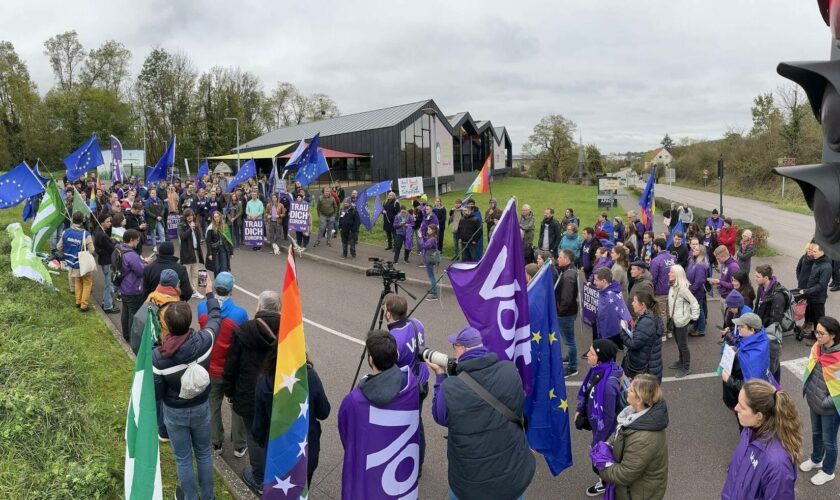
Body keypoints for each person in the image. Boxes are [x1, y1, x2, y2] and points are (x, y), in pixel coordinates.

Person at [427, 326, 535, 500]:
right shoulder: (509, 371)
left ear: (461, 349)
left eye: (455, 347)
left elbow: (440, 416)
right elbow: (517, 402)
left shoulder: (451, 387)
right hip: (512, 476)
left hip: (470, 484)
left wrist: (441, 376)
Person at [339, 331, 420, 499]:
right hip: (402, 482)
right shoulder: (412, 385)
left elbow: (346, 433)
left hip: (372, 480)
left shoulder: (355, 400)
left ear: (370, 359)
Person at [223, 291, 282, 491]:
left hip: (249, 394)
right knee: (275, 433)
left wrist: (229, 392)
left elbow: (232, 364)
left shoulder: (244, 330)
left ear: (259, 306)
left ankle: (258, 478)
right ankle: (278, 475)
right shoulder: (289, 331)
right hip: (280, 393)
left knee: (254, 435)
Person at [720, 380, 801, 499]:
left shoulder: (778, 465)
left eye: (742, 407)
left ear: (759, 416)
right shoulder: (749, 430)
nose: (736, 408)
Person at [197, 272, 249, 456]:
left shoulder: (202, 308)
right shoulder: (240, 314)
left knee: (213, 404)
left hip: (210, 365)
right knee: (237, 405)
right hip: (231, 369)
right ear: (231, 290)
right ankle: (240, 444)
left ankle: (216, 442)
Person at [597, 374, 669, 500]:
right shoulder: (636, 414)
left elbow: (625, 474)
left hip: (637, 494)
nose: (626, 390)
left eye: (630, 390)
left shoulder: (643, 439)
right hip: (633, 489)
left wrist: (600, 465)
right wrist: (607, 446)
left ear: (639, 399)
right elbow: (620, 434)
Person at [382, 294, 430, 467]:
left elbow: (388, 368)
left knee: (411, 425)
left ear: (388, 313)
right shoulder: (417, 323)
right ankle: (416, 461)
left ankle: (413, 464)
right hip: (423, 380)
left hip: (410, 387)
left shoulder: (394, 338)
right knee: (417, 422)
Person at [576, 339, 623, 497]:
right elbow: (589, 389)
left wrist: (597, 443)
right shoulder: (598, 370)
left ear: (600, 358)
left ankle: (605, 483)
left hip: (605, 432)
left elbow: (608, 420)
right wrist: (580, 409)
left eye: (591, 353)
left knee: (600, 462)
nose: (587, 355)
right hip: (597, 424)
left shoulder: (608, 387)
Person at [800, 316, 840, 486]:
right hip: (814, 401)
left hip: (829, 408)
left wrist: (826, 402)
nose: (817, 336)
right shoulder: (818, 347)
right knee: (816, 434)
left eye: (821, 333)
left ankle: (828, 471)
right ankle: (816, 459)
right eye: (816, 331)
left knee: (829, 441)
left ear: (833, 335)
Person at [721, 313, 775, 416]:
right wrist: (728, 335)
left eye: (742, 326)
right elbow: (741, 344)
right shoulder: (758, 337)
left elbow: (752, 386)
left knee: (744, 424)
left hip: (748, 400)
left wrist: (728, 380)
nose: (738, 328)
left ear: (752, 330)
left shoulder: (753, 359)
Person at [131, 268, 182, 354]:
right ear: (175, 284)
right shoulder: (175, 306)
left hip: (151, 342)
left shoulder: (152, 296)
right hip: (164, 347)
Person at [754, 265, 787, 382]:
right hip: (760, 329)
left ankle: (775, 386)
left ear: (766, 277)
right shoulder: (761, 288)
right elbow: (757, 307)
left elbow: (775, 321)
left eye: (757, 276)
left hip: (770, 334)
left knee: (773, 363)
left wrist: (766, 335)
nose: (755, 278)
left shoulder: (778, 296)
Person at [620, 292, 663, 381]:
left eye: (635, 302)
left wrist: (623, 332)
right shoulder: (651, 317)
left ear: (642, 305)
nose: (632, 304)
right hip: (651, 366)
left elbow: (634, 344)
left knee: (641, 393)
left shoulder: (646, 322)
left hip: (645, 370)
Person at [58, 211, 96, 312]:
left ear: (72, 220)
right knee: (87, 283)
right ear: (82, 220)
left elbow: (59, 247)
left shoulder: (66, 232)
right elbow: (92, 250)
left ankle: (78, 301)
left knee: (78, 281)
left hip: (72, 262)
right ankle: (84, 305)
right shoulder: (86, 234)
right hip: (83, 263)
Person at [667, 265, 700, 378]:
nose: (668, 274)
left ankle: (686, 367)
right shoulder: (673, 286)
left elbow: (694, 303)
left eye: (671, 272)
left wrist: (693, 318)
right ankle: (681, 361)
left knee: (683, 345)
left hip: (681, 321)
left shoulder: (682, 289)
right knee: (678, 343)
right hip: (675, 320)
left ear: (677, 274)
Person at [799, 241, 833, 343]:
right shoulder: (817, 261)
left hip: (818, 298)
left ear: (822, 252)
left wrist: (806, 290)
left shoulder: (826, 267)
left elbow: (822, 285)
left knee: (819, 321)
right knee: (813, 318)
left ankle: (818, 342)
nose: (812, 253)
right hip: (811, 296)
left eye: (815, 251)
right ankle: (814, 335)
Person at [556, 249, 580, 377]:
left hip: (566, 314)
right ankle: (570, 358)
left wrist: (560, 312)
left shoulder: (568, 276)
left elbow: (566, 298)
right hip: (568, 312)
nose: (558, 259)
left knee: (569, 340)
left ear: (567, 259)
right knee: (569, 339)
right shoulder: (568, 271)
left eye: (560, 257)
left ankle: (572, 367)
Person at [594, 267, 631, 348]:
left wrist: (602, 335)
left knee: (608, 354)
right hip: (615, 331)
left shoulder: (609, 298)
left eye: (596, 280)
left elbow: (605, 318)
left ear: (603, 281)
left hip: (610, 334)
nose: (594, 282)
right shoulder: (611, 290)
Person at [93, 213, 120, 314]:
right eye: (107, 221)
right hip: (106, 261)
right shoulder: (102, 235)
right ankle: (108, 306)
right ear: (102, 222)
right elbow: (112, 248)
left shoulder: (98, 231)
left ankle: (106, 302)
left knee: (108, 283)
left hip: (103, 260)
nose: (110, 223)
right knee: (108, 284)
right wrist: (113, 242)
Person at [649, 238, 675, 341]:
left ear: (658, 247)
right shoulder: (672, 258)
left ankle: (663, 333)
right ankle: (669, 331)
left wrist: (652, 290)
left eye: (654, 246)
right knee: (669, 311)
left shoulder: (656, 261)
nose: (654, 248)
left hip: (660, 291)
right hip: (671, 288)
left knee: (662, 313)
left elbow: (653, 278)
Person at [178, 208, 204, 299]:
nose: (190, 218)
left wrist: (200, 239)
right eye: (188, 217)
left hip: (195, 251)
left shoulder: (195, 225)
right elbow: (182, 237)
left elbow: (198, 235)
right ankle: (188, 291)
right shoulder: (181, 225)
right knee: (187, 274)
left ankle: (194, 291)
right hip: (186, 253)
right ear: (185, 217)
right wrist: (190, 229)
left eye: (191, 216)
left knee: (195, 273)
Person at [686, 244, 709, 337]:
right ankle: (696, 326)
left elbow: (699, 281)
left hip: (696, 292)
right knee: (697, 309)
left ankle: (701, 329)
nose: (693, 249)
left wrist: (690, 292)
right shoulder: (693, 261)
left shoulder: (700, 265)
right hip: (692, 291)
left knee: (699, 310)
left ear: (701, 252)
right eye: (693, 248)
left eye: (696, 249)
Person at [205, 210, 232, 276]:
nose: (217, 218)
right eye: (215, 217)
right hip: (215, 250)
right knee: (217, 268)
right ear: (213, 218)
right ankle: (218, 283)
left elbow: (229, 240)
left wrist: (231, 252)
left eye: (218, 216)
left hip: (223, 249)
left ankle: (224, 284)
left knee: (224, 267)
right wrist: (209, 254)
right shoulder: (210, 228)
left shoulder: (225, 226)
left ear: (220, 217)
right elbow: (208, 242)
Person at [144, 187, 167, 252]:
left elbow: (163, 208)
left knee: (162, 233)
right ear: (150, 194)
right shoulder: (148, 202)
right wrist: (156, 217)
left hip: (160, 219)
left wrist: (161, 215)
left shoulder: (159, 200)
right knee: (153, 234)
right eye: (152, 193)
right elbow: (147, 211)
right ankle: (154, 246)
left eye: (155, 193)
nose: (154, 194)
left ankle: (163, 246)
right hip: (152, 220)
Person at [421, 225, 440, 300]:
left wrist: (420, 238)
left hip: (429, 260)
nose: (427, 230)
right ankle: (433, 290)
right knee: (431, 276)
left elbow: (424, 246)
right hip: (429, 259)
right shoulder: (432, 238)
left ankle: (434, 294)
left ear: (433, 230)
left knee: (431, 276)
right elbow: (426, 240)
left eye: (429, 229)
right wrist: (422, 236)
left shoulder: (432, 239)